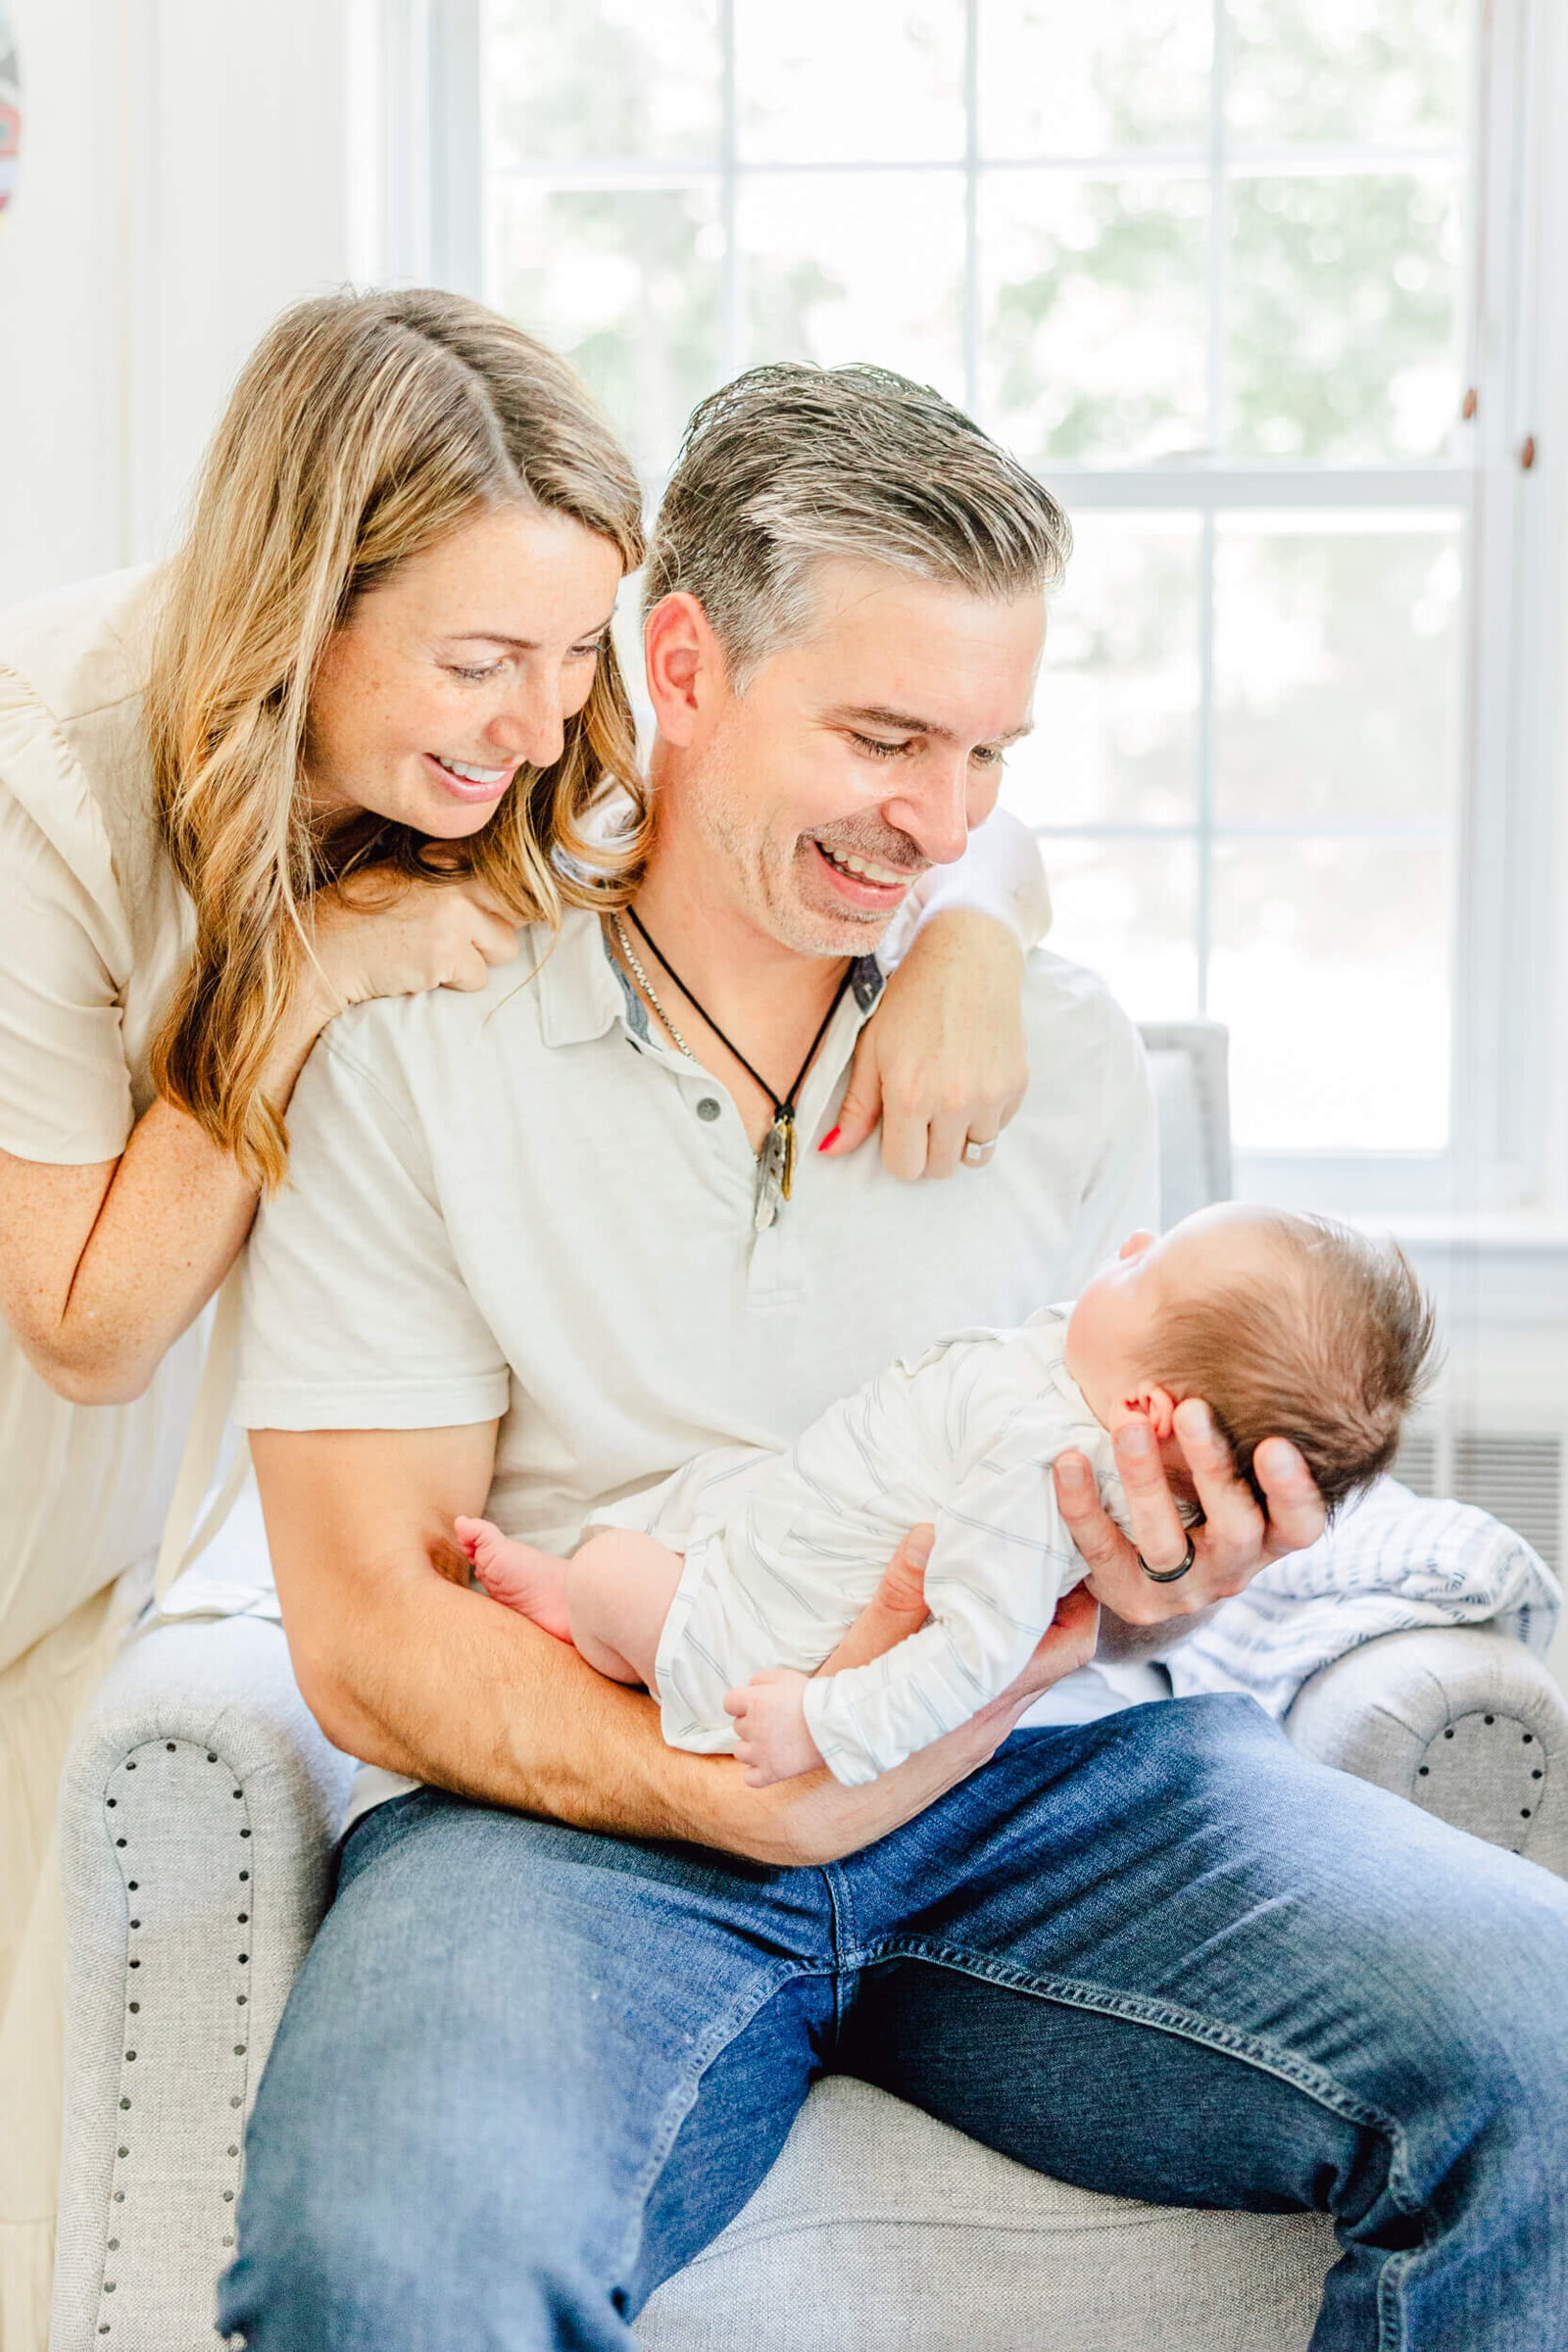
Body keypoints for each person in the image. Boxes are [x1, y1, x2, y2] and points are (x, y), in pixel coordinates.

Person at [223, 361, 1567, 2351]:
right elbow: (365, 1626)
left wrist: (1151, 1591)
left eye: (988, 755)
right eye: (878, 735)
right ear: (679, 664)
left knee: (1537, 2036)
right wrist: (758, 1803)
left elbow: (1091, 1549)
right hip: (580, 1820)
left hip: (1044, 1797)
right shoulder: (419, 1050)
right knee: (389, 2263)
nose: (935, 820)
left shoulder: (1053, 1047)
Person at [0, 299, 1044, 2348]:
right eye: (481, 662)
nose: (537, 722)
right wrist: (296, 978)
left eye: (574, 656)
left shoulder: (509, 742)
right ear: (303, 610)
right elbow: (90, 1326)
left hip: (109, 1515)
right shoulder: (52, 775)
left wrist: (975, 930)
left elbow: (818, 798)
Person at [458, 1204, 1438, 1788]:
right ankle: (611, 1615)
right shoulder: (1077, 1370)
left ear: (1146, 1405)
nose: (1129, 1239)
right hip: (776, 1537)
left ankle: (580, 1619)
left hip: (783, 1651)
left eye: (1141, 1264)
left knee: (611, 1571)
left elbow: (976, 1651)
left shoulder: (1041, 1467)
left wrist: (824, 1721)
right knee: (702, 1490)